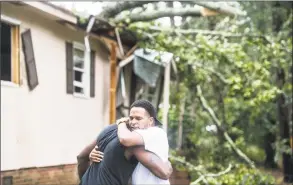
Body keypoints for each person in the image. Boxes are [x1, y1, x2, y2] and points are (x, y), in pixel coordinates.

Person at [77, 100, 172, 185]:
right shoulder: (132, 143)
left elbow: (81, 157)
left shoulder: (154, 132)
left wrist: (85, 180)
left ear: (151, 121)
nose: (133, 122)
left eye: (138, 118)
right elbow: (164, 173)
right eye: (131, 118)